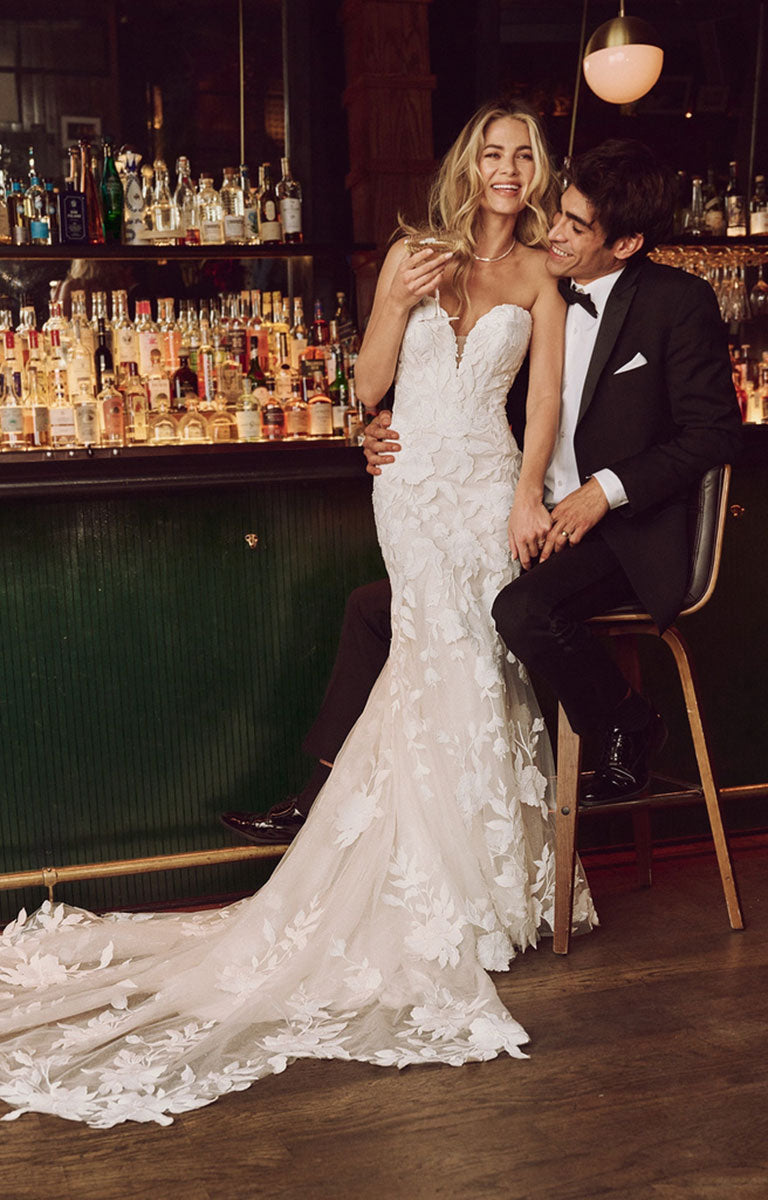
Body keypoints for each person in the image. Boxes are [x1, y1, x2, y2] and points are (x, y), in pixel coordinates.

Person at [0, 99, 595, 1128]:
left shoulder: (542, 274)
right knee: (437, 653)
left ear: (538, 173)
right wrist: (396, 302)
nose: (508, 169)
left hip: (486, 488)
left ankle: (497, 889)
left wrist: (525, 494)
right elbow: (368, 386)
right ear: (469, 164)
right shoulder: (414, 252)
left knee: (481, 662)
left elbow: (540, 404)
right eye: (494, 153)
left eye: (525, 156)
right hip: (411, 487)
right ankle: (437, 894)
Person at [222, 136, 742, 845]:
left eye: (576, 226)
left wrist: (604, 491)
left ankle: (628, 722)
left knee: (518, 608)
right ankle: (321, 801)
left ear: (625, 244)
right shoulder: (539, 287)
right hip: (521, 516)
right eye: (559, 214)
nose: (556, 232)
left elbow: (714, 433)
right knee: (375, 610)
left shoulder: (677, 303)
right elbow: (479, 392)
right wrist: (383, 426)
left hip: (622, 533)